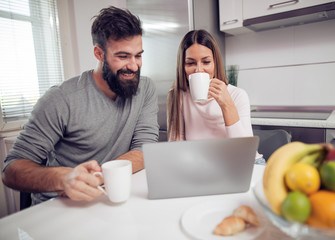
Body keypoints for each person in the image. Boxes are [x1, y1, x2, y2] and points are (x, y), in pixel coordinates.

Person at [2, 7, 159, 205]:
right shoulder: (61, 99)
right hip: (58, 205)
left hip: (105, 196)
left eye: (138, 55)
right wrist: (62, 178)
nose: (134, 66)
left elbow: (144, 149)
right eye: (123, 56)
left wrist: (99, 177)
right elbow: (11, 170)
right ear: (99, 54)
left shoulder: (145, 88)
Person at [167, 29, 265, 164]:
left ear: (215, 63)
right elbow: (176, 149)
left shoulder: (237, 95)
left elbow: (245, 153)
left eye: (206, 62)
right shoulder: (178, 96)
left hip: (243, 163)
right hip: (202, 164)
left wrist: (227, 105)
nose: (199, 70)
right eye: (190, 63)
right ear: (182, 66)